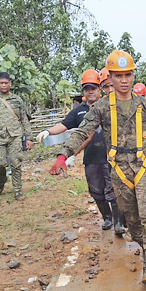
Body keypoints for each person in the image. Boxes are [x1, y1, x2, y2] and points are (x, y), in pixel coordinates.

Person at [49, 50, 146, 285]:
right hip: (119, 171)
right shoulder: (101, 108)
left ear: (133, 76)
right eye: (118, 76)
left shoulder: (145, 106)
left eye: (128, 75)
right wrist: (63, 155)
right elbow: (83, 131)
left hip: (143, 167)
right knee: (132, 223)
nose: (124, 81)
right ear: (110, 78)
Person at [37, 70, 126, 236]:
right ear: (84, 91)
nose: (90, 91)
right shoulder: (79, 111)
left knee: (113, 191)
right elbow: (64, 126)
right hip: (91, 158)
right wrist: (48, 131)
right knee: (96, 191)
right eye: (87, 88)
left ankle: (119, 222)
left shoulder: (109, 106)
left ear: (100, 89)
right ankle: (107, 217)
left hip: (111, 158)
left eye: (93, 87)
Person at [0, 72, 33, 201]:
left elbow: (24, 119)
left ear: (10, 83)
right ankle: (2, 179)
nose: (4, 85)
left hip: (15, 135)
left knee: (16, 162)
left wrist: (29, 138)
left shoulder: (17, 100)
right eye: (1, 83)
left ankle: (18, 191)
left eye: (6, 83)